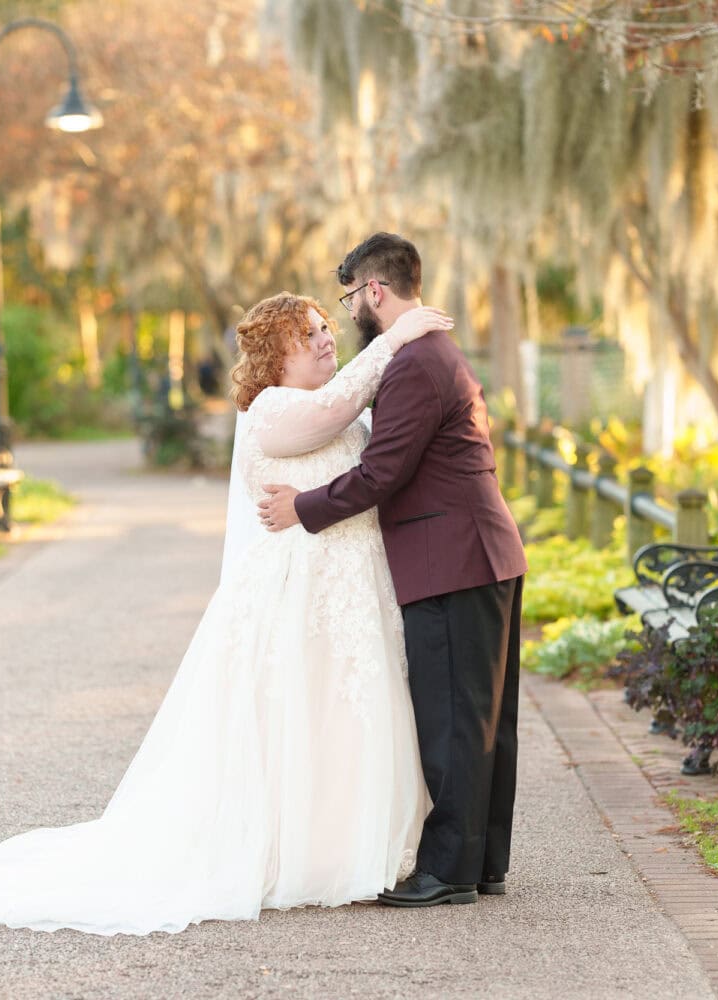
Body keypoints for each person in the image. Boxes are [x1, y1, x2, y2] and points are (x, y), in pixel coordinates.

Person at [0, 292, 452, 935]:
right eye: (310, 335)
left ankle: (355, 847)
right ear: (275, 355)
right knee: (298, 716)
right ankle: (296, 855)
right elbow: (334, 407)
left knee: (352, 712)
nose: (327, 341)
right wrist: (395, 337)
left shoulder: (341, 410)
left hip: (351, 590)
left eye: (328, 329)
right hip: (294, 597)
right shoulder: (271, 410)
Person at [260, 233, 527, 908]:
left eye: (349, 296)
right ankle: (481, 861)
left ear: (373, 291)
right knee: (484, 720)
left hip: (453, 559)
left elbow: (383, 472)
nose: (348, 311)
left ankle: (447, 872)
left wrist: (303, 508)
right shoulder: (430, 351)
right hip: (478, 552)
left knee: (454, 719)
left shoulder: (413, 363)